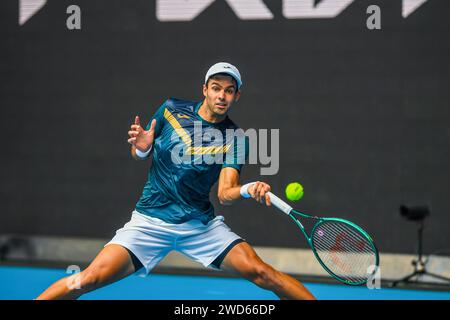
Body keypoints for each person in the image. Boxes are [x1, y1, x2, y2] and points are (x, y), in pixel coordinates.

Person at [36, 62, 316, 300]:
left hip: (199, 227)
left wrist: (247, 189)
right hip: (150, 222)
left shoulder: (236, 139)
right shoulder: (170, 110)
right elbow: (138, 152)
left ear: (236, 97)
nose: (222, 96)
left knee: (263, 273)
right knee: (86, 280)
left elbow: (225, 192)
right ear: (204, 89)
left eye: (229, 91)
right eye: (216, 88)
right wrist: (143, 147)